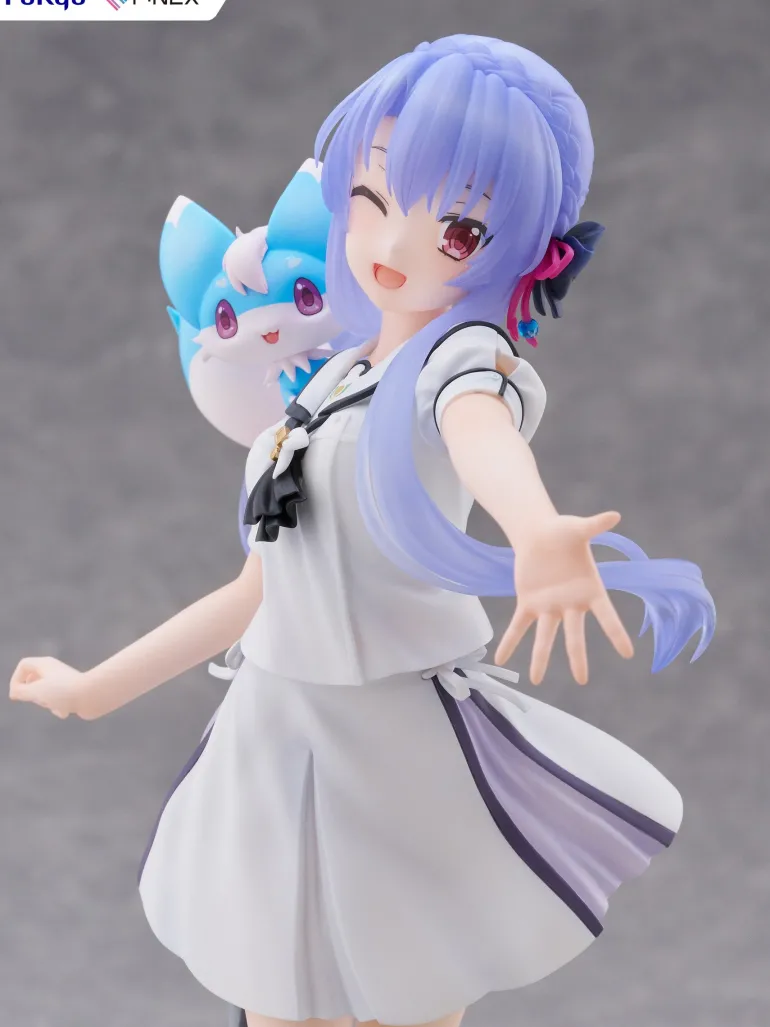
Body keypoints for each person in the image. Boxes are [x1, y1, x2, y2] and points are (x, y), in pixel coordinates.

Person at [9, 34, 715, 1027]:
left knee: (404, 986)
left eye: (458, 230)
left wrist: (535, 528)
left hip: (391, 736)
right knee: (277, 987)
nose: (394, 246)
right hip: (275, 728)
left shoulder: (457, 361)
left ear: (519, 248)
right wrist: (97, 687)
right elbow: (255, 590)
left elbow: (479, 431)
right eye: (372, 199)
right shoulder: (332, 379)